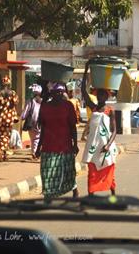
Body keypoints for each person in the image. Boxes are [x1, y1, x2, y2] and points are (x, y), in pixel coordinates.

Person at [36, 83, 79, 200]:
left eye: (61, 92)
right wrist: (38, 147)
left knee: (68, 171)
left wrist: (75, 144)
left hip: (65, 146)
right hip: (49, 146)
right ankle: (48, 195)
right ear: (52, 94)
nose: (59, 94)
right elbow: (43, 128)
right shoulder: (45, 107)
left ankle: (74, 190)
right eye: (57, 92)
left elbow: (73, 127)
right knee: (47, 172)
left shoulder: (68, 106)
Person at [81, 62, 117, 196]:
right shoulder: (94, 107)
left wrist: (108, 145)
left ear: (107, 96)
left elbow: (114, 131)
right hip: (94, 146)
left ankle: (113, 192)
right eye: (99, 94)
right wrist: (86, 70)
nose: (101, 96)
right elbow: (84, 91)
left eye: (104, 94)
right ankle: (91, 194)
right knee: (92, 171)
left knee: (108, 169)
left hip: (106, 146)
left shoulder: (110, 111)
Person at [21, 84, 42, 160]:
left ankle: (35, 152)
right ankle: (36, 152)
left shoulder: (30, 101)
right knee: (38, 138)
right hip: (41, 122)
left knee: (34, 138)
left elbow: (25, 111)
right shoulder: (44, 101)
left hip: (32, 122)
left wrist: (22, 117)